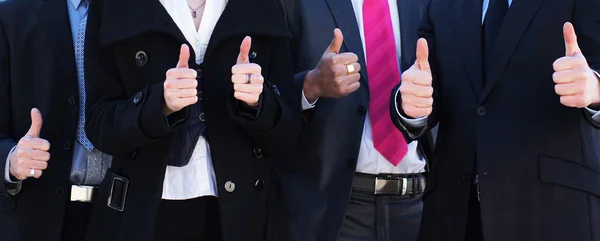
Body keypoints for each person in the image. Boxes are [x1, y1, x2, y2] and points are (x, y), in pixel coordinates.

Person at [82, 0, 301, 240]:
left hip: (243, 214)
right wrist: (158, 105)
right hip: (144, 213)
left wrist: (258, 103)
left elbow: (288, 132)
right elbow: (99, 123)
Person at [392, 0, 600, 240]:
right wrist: (410, 104)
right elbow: (425, 81)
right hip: (454, 217)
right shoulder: (441, 4)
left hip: (554, 212)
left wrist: (594, 87)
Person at [280, 0, 432, 240]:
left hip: (418, 208)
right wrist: (310, 86)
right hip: (334, 210)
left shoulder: (431, 5)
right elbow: (268, 92)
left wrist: (417, 111)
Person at [0, 0, 112, 240]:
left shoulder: (143, 10)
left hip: (120, 218)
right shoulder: (9, 16)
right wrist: (10, 160)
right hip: (35, 218)